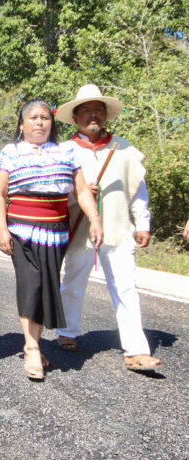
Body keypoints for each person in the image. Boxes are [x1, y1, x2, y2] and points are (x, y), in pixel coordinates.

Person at [0, 98, 103, 381]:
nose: (39, 122)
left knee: (45, 287)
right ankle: (31, 347)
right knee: (31, 285)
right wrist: (2, 229)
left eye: (44, 117)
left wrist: (94, 218)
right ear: (22, 124)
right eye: (33, 117)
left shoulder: (66, 152)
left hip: (56, 232)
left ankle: (34, 342)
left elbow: (80, 192)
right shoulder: (10, 152)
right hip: (21, 229)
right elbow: (0, 195)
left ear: (51, 123)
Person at [55, 84, 162, 371]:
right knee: (73, 283)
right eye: (87, 111)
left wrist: (143, 222)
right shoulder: (64, 150)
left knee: (126, 287)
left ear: (105, 115)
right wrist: (76, 192)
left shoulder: (123, 148)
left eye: (98, 110)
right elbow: (52, 191)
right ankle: (67, 332)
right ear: (75, 117)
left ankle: (136, 350)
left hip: (117, 228)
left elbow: (137, 189)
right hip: (78, 228)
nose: (93, 115)